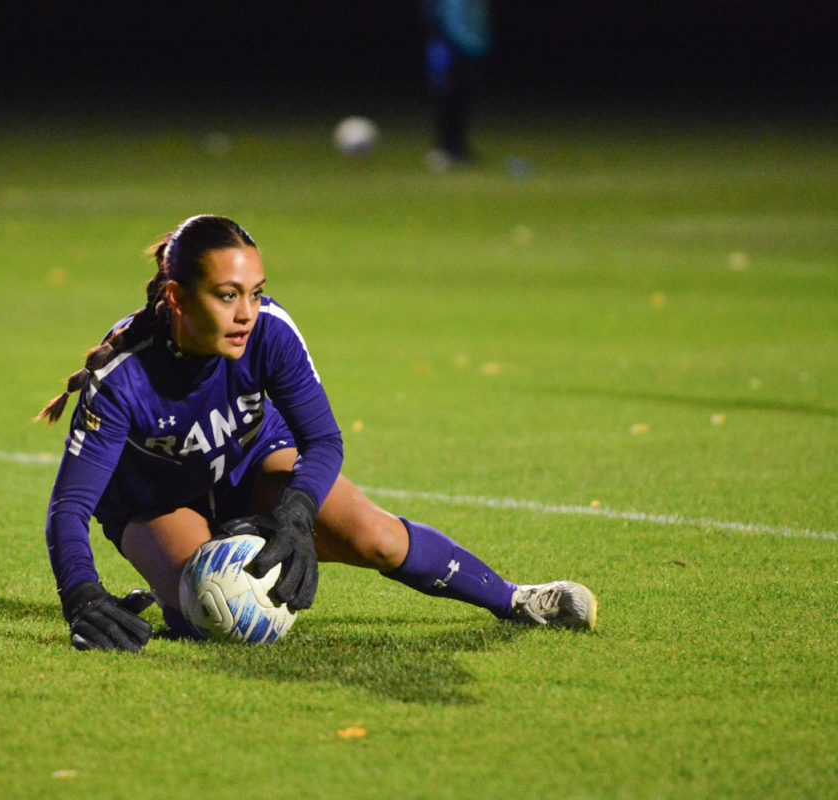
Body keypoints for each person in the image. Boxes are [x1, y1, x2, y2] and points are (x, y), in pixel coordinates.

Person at [40, 215, 596, 652]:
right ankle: (173, 606)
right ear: (179, 299)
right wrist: (81, 596)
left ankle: (517, 600)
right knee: (205, 610)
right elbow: (69, 506)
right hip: (154, 500)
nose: (247, 313)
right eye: (227, 294)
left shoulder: (269, 331)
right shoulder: (122, 378)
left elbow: (324, 441)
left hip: (253, 462)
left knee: (376, 537)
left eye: (256, 292)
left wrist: (297, 514)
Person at [421, 0, 492, 172]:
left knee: (465, 98)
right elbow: (443, 20)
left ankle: (459, 147)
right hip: (449, 48)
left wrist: (479, 45)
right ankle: (444, 149)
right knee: (447, 97)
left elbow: (479, 20)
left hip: (471, 50)